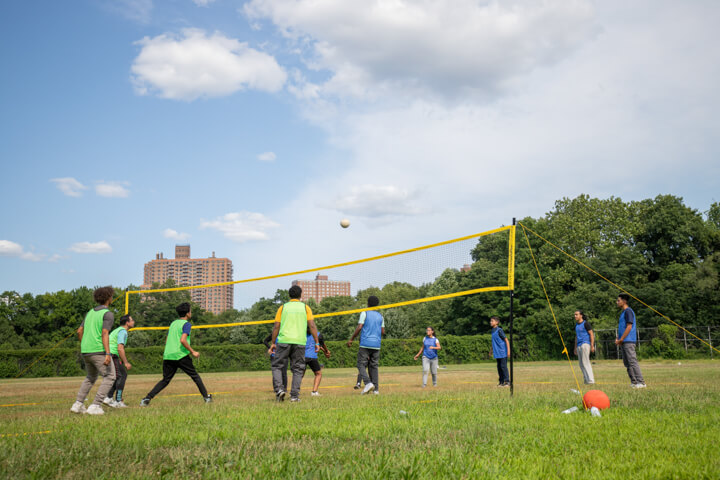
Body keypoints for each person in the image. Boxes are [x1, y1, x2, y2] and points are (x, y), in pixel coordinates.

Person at [140, 302, 212, 406]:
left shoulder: (173, 323)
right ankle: (206, 398)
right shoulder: (186, 324)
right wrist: (193, 352)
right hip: (180, 355)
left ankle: (146, 399)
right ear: (187, 313)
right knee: (195, 376)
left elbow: (167, 340)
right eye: (190, 311)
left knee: (165, 380)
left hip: (168, 355)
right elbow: (183, 340)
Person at [70, 286, 117, 415]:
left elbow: (79, 331)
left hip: (86, 350)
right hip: (98, 351)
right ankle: (96, 405)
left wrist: (84, 344)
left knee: (90, 377)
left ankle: (78, 404)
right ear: (109, 298)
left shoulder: (90, 312)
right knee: (110, 376)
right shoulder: (108, 313)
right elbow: (105, 333)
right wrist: (108, 353)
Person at [268, 285, 319, 402]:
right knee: (298, 369)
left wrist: (273, 343)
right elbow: (312, 325)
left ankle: (279, 390)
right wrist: (317, 342)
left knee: (277, 366)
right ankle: (294, 396)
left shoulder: (283, 307)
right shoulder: (306, 307)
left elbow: (276, 326)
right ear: (300, 295)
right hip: (300, 342)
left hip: (283, 341)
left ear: (289, 295)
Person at [347, 296, 385, 395]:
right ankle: (376, 390)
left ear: (368, 304)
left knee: (360, 364)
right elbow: (383, 331)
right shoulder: (380, 316)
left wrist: (351, 339)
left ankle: (368, 383)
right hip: (376, 344)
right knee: (374, 367)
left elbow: (359, 327)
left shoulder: (364, 313)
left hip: (365, 343)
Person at [615, 293, 646, 388]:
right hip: (623, 341)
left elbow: (629, 327)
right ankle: (634, 382)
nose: (617, 302)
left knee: (632, 361)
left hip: (628, 340)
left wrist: (622, 339)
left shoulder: (628, 311)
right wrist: (618, 338)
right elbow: (622, 327)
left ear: (624, 301)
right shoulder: (622, 313)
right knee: (627, 363)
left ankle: (641, 382)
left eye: (618, 300)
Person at [104, 315, 135, 407]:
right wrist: (126, 362)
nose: (133, 322)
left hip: (111, 354)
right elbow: (120, 348)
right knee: (121, 376)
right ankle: (117, 400)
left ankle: (109, 397)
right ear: (127, 323)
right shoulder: (122, 331)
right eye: (132, 320)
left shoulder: (117, 330)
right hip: (113, 354)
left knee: (117, 376)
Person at [304, 328, 331, 396]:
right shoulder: (318, 334)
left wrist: (325, 351)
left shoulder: (301, 334)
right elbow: (321, 344)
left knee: (299, 375)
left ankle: (294, 392)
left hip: (302, 357)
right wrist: (326, 351)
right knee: (318, 373)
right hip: (312, 357)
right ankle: (314, 392)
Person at [573, 310, 595, 385]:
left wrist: (592, 345)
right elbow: (576, 336)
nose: (575, 316)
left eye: (576, 314)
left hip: (585, 344)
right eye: (574, 315)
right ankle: (586, 380)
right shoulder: (576, 325)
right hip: (579, 345)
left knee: (586, 362)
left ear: (581, 315)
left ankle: (591, 380)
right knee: (581, 364)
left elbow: (591, 334)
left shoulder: (586, 323)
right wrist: (575, 347)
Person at [490, 316, 510, 387]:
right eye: (490, 321)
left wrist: (508, 351)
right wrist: (491, 351)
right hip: (497, 352)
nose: (490, 322)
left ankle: (507, 381)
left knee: (503, 367)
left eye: (492, 321)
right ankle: (501, 382)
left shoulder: (499, 330)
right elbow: (493, 342)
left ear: (497, 322)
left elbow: (506, 340)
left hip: (502, 351)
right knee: (499, 367)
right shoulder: (492, 330)